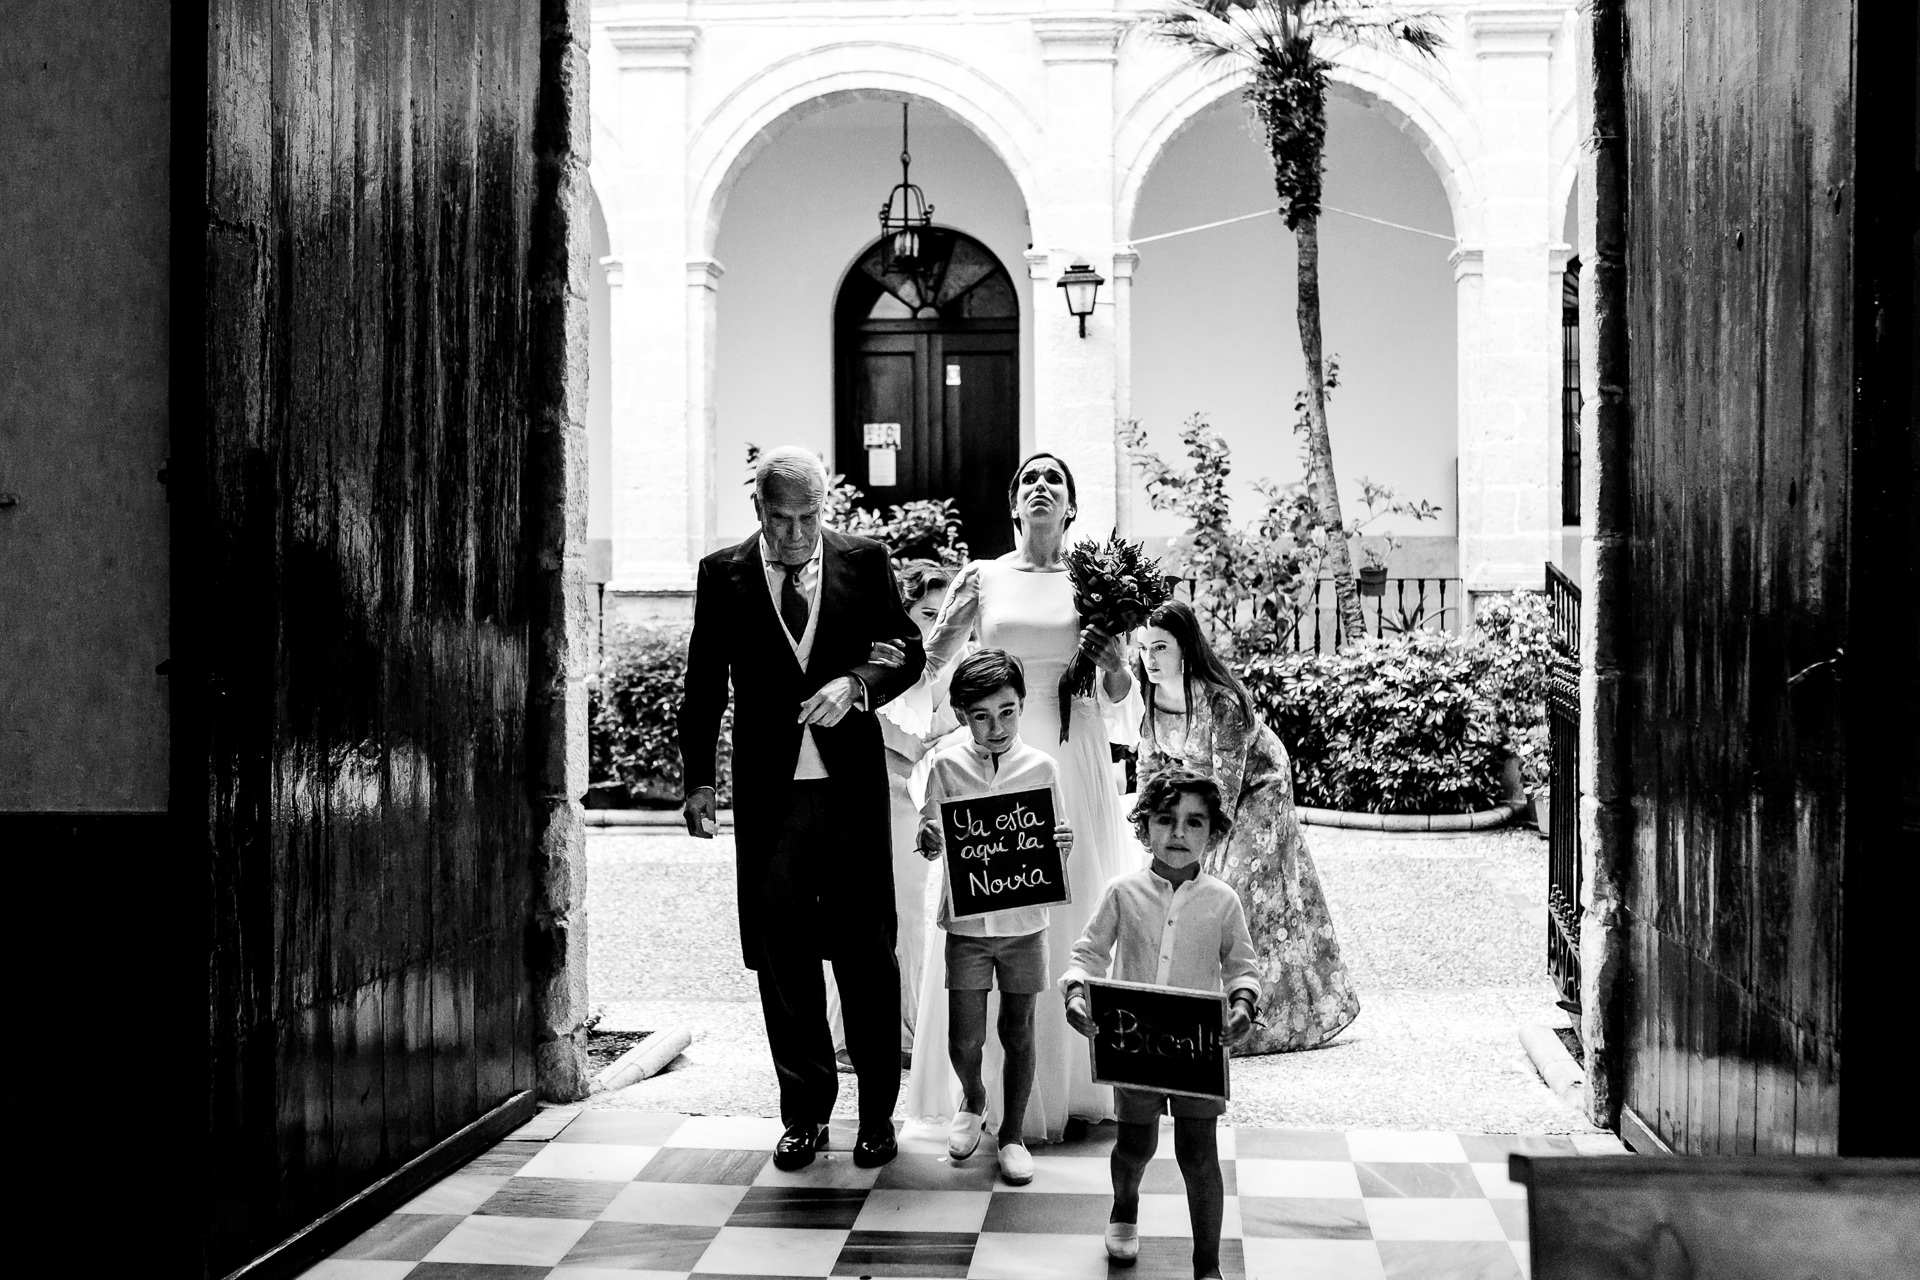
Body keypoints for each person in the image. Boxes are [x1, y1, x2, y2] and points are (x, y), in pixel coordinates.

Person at [677, 446, 926, 1171]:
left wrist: (856, 683)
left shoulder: (866, 560)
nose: (795, 534)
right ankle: (804, 1116)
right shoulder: (721, 575)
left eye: (809, 517)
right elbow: (703, 684)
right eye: (780, 519)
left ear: (826, 508)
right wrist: (700, 782)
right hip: (768, 795)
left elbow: (906, 649)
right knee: (784, 958)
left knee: (866, 953)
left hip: (850, 792)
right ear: (757, 509)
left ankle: (877, 1116)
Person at [899, 451, 1141, 1145]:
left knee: (1072, 905)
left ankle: (1070, 1087)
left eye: (1054, 481)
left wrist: (1113, 656)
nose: (1041, 488)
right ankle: (978, 1097)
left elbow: (1122, 694)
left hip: (1070, 758)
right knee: (986, 908)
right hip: (989, 759)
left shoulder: (1095, 583)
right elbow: (935, 663)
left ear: (1070, 508)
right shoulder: (985, 576)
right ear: (1013, 504)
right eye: (1029, 479)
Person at [1134, 599, 1360, 1053]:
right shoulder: (1153, 694)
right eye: (1142, 649)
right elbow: (1151, 761)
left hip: (1259, 789)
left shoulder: (1221, 699)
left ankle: (1264, 1020)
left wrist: (1198, 841)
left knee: (1238, 890)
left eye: (1160, 647)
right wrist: (1147, 823)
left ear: (1185, 649)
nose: (1150, 659)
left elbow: (1226, 785)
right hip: (1208, 795)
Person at [1062, 769, 1259, 1279]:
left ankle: (1207, 1264)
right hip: (1135, 1048)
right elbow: (1086, 955)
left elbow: (1243, 966)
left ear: (1213, 834)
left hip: (1197, 1050)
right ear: (1143, 826)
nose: (1178, 834)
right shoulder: (1122, 893)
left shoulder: (1223, 901)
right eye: (1165, 820)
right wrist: (1078, 993)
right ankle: (1124, 1207)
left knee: (1199, 1156)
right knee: (1134, 1146)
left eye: (1194, 823)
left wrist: (1242, 1004)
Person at [915, 649, 1075, 1185]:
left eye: (1007, 711)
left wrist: (1063, 843)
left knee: (1019, 1029)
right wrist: (930, 838)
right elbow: (930, 835)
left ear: (1022, 706)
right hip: (967, 923)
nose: (996, 726)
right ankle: (974, 1096)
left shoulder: (1042, 767)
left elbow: (1054, 841)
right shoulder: (946, 767)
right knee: (965, 1036)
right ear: (962, 715)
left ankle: (1012, 1134)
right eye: (981, 715)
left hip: (1025, 923)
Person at [826, 559, 960, 1064]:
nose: (935, 627)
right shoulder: (878, 661)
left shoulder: (953, 668)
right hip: (862, 791)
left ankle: (905, 1029)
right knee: (852, 909)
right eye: (926, 613)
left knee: (907, 912)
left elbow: (954, 731)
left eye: (944, 615)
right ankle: (841, 1032)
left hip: (912, 799)